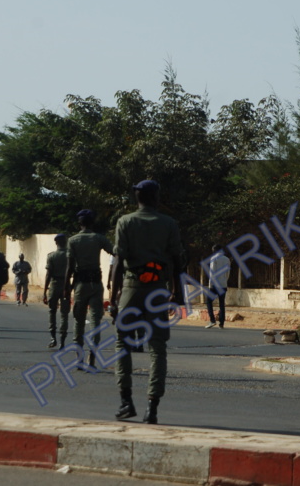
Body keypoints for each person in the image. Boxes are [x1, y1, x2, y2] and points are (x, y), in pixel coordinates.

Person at [109, 180, 183, 425]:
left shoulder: (125, 221)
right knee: (157, 348)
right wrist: (177, 291)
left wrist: (113, 297)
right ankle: (152, 406)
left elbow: (118, 261)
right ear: (156, 197)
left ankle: (125, 401)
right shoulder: (169, 224)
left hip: (131, 287)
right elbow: (177, 260)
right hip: (158, 290)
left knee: (122, 342)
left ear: (136, 197)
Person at [66, 210, 114, 368]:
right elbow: (115, 251)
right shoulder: (99, 238)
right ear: (92, 223)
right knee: (95, 321)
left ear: (79, 223)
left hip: (80, 284)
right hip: (96, 284)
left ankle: (78, 359)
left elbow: (70, 267)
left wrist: (67, 287)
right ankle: (91, 358)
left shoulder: (73, 240)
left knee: (79, 322)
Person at [43, 234, 71, 348]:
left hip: (54, 285)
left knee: (52, 311)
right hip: (66, 285)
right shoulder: (70, 255)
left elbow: (48, 274)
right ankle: (62, 341)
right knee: (64, 314)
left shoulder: (51, 256)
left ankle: (53, 338)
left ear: (56, 243)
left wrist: (44, 291)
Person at [205, 244, 231, 329]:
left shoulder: (214, 258)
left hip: (215, 284)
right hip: (223, 284)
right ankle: (221, 323)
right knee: (221, 304)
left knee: (209, 301)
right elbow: (227, 273)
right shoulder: (227, 259)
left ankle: (212, 320)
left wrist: (210, 284)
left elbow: (212, 272)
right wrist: (225, 281)